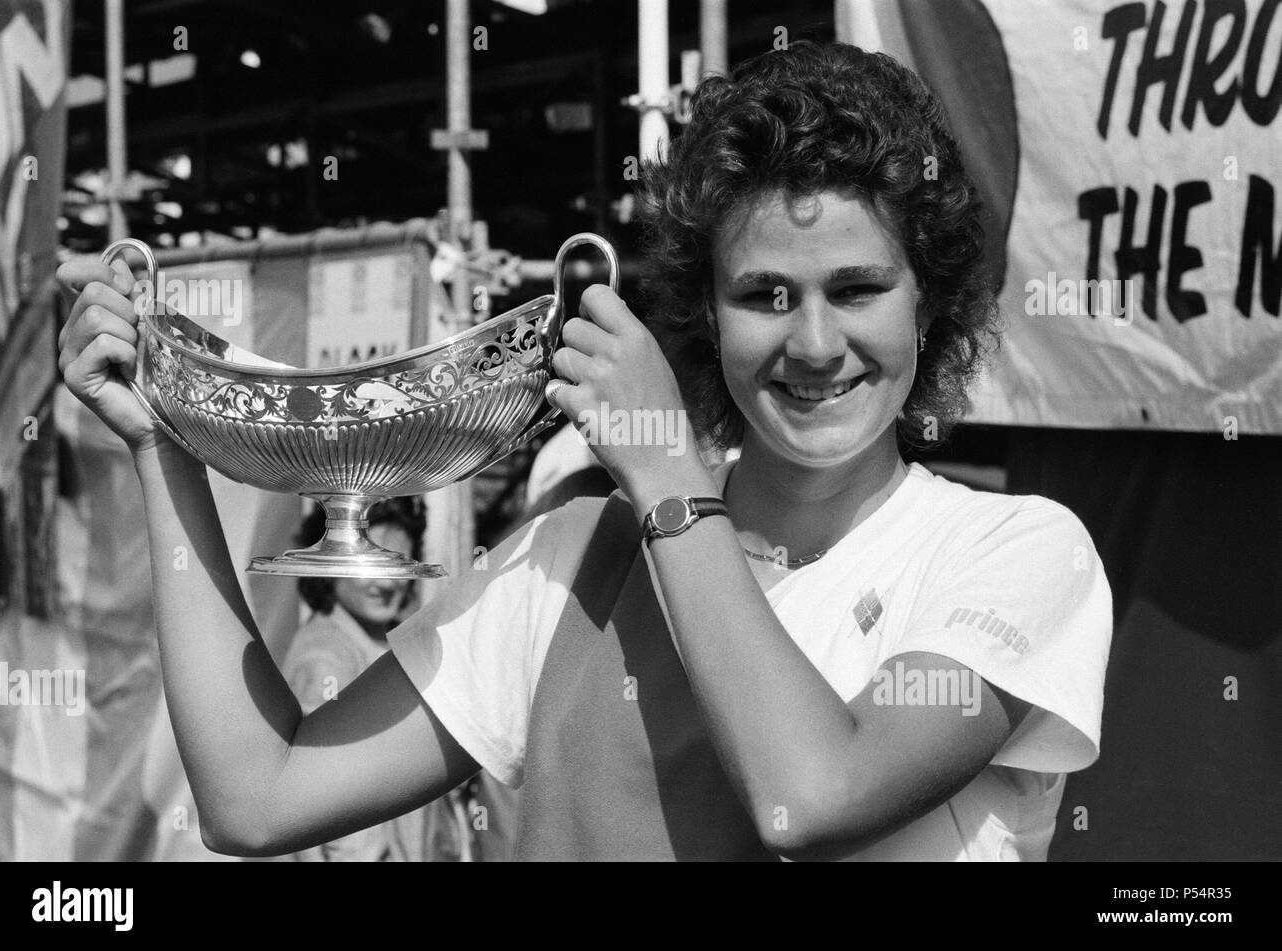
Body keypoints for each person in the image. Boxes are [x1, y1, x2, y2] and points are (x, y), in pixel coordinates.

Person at [56, 40, 1111, 861]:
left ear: (929, 305)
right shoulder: (568, 562)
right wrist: (168, 446)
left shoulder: (1014, 554)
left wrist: (663, 475)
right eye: (764, 295)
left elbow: (809, 800)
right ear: (704, 312)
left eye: (857, 289)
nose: (814, 343)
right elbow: (254, 796)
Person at [279, 498, 469, 862]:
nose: (385, 582)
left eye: (396, 563)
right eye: (370, 562)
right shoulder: (325, 660)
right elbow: (331, 807)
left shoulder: (381, 640)